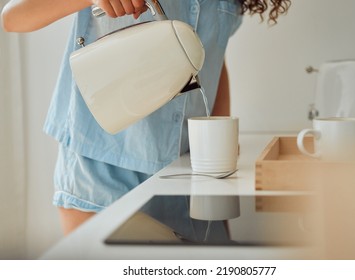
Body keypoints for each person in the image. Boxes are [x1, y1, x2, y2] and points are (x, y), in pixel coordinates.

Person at [1, 0, 291, 236]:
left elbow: (213, 57)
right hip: (102, 175)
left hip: (187, 178)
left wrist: (221, 156)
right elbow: (13, 17)